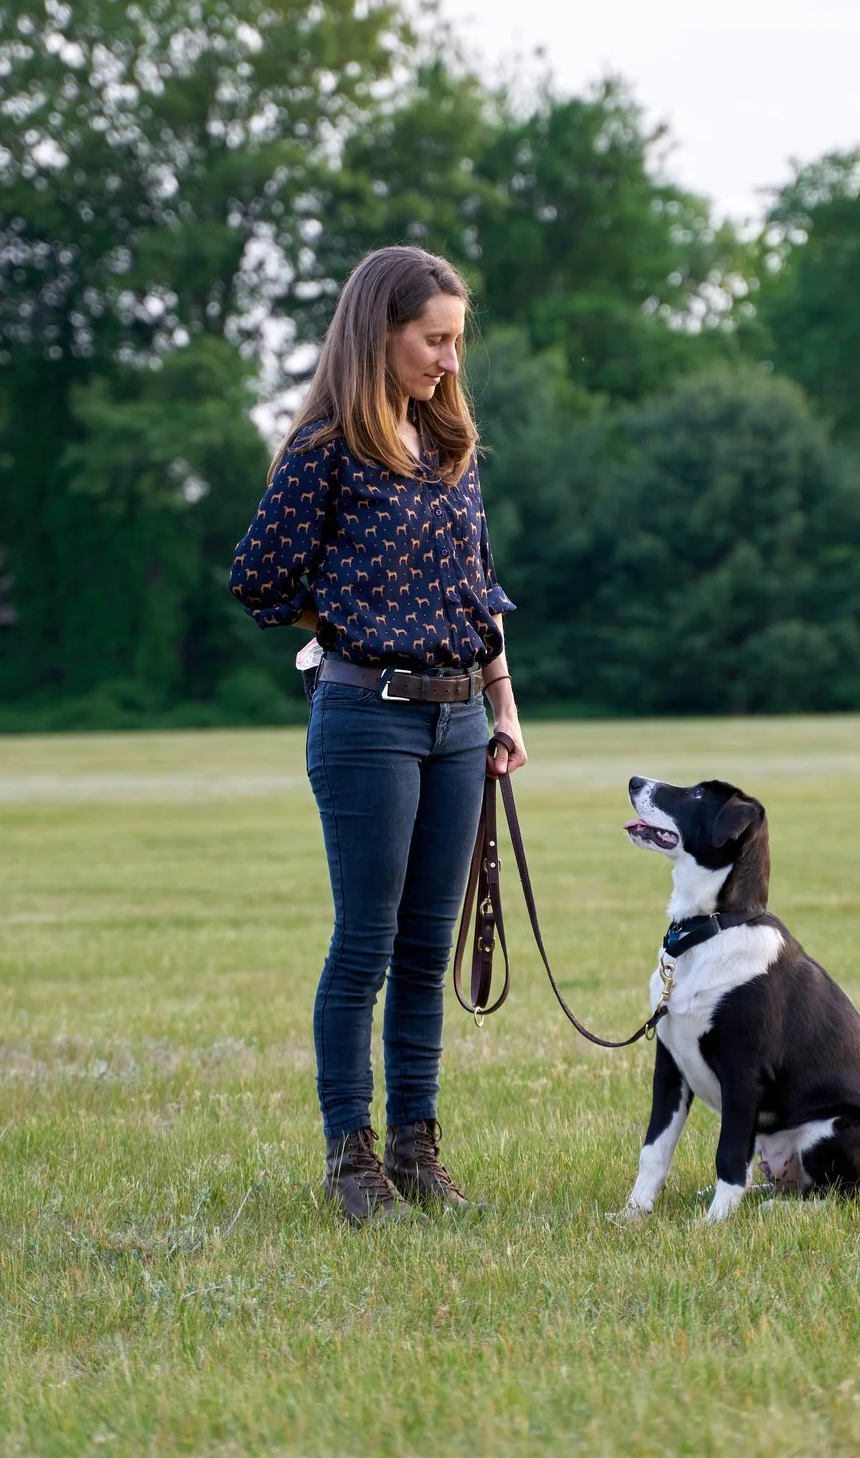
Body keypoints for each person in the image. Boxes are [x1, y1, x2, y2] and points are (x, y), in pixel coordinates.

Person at [228, 245, 527, 1225]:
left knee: (425, 949)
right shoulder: (324, 450)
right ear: (379, 333)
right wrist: (354, 622)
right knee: (363, 945)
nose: (448, 360)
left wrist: (503, 709)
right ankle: (350, 1162)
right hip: (367, 717)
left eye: (454, 341)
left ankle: (417, 1153)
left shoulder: (450, 450)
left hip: (461, 720)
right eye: (431, 340)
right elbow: (259, 579)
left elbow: (480, 595)